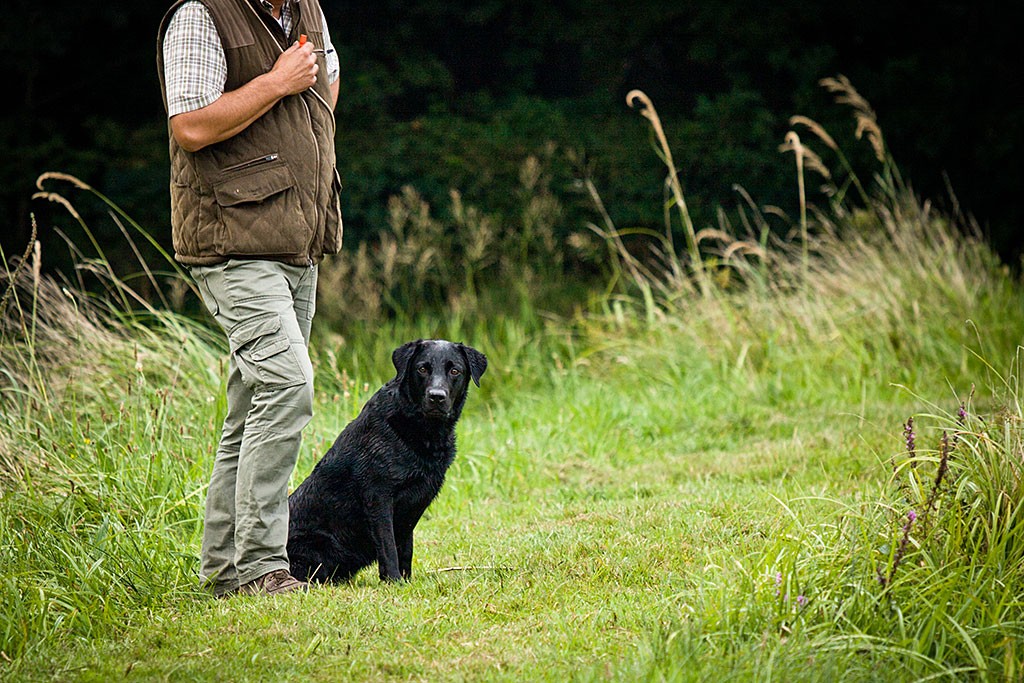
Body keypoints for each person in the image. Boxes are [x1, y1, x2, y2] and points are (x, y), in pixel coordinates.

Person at [156, 0, 342, 596]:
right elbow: (189, 125)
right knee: (288, 386)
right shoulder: (200, 15)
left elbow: (325, 87)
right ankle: (264, 567)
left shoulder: (306, 8)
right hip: (231, 244)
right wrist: (273, 84)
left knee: (251, 409)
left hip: (296, 239)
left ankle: (223, 571)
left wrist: (291, 103)